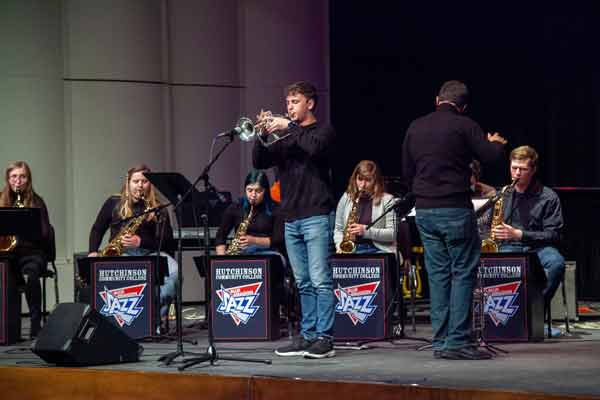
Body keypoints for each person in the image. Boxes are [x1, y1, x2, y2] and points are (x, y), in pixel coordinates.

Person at [402, 80, 506, 360]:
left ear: (437, 100)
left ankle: (442, 340)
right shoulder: (465, 125)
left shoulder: (416, 126)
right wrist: (495, 143)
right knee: (462, 273)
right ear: (462, 106)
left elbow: (407, 171)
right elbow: (489, 156)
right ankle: (458, 342)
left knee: (437, 275)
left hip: (424, 210)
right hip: (454, 209)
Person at [253, 81, 337, 359]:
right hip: (291, 217)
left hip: (315, 214)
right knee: (302, 282)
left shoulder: (323, 131)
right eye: (287, 102)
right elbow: (259, 162)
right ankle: (308, 335)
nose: (289, 107)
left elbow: (313, 149)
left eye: (295, 102)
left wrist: (288, 127)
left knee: (320, 280)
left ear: (309, 104)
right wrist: (261, 135)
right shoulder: (287, 137)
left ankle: (324, 338)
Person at [88, 164, 177, 323]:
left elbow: (167, 242)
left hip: (150, 253)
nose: (140, 185)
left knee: (175, 273)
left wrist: (141, 241)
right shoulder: (113, 202)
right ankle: (115, 318)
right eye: (136, 181)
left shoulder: (158, 207)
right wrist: (93, 251)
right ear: (128, 182)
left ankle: (158, 315)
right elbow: (97, 229)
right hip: (120, 253)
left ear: (150, 184)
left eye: (144, 181)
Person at [493, 146, 565, 306]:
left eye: (523, 169)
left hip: (539, 248)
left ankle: (537, 311)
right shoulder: (503, 194)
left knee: (556, 264)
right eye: (514, 168)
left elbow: (554, 235)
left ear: (533, 170)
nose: (517, 173)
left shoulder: (548, 197)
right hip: (508, 247)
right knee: (486, 265)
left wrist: (520, 234)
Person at [0, 161, 51, 338]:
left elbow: (45, 234)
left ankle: (35, 323)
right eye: (14, 176)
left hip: (32, 253)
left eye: (22, 176)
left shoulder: (37, 202)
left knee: (31, 274)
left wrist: (26, 226)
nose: (18, 181)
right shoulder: (1, 199)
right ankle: (7, 326)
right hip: (8, 254)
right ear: (8, 179)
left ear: (28, 179)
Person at [334, 160, 399, 257]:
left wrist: (366, 232)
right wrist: (340, 246)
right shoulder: (346, 198)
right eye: (360, 179)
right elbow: (338, 229)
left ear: (376, 181)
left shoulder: (387, 200)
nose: (363, 185)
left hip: (379, 250)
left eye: (368, 180)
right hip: (352, 250)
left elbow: (392, 234)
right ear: (355, 178)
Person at [215, 169, 282, 256]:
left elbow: (278, 241)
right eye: (249, 190)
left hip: (269, 253)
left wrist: (253, 240)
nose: (253, 195)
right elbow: (220, 237)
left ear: (265, 191)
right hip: (241, 253)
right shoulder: (235, 207)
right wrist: (222, 260)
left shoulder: (276, 209)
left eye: (258, 191)